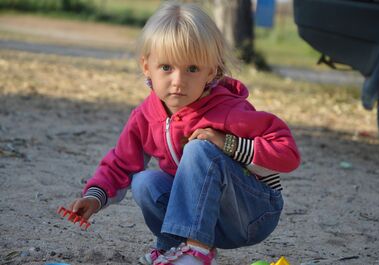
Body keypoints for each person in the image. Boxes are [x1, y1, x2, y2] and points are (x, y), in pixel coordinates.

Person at [60, 2, 300, 265]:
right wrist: (94, 197)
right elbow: (120, 163)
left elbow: (288, 154)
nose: (178, 81)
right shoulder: (145, 115)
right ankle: (174, 248)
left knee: (198, 148)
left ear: (212, 71)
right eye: (166, 67)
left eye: (192, 69)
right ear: (146, 66)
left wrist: (227, 142)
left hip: (252, 213)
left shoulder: (228, 110)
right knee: (144, 182)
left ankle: (196, 253)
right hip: (206, 218)